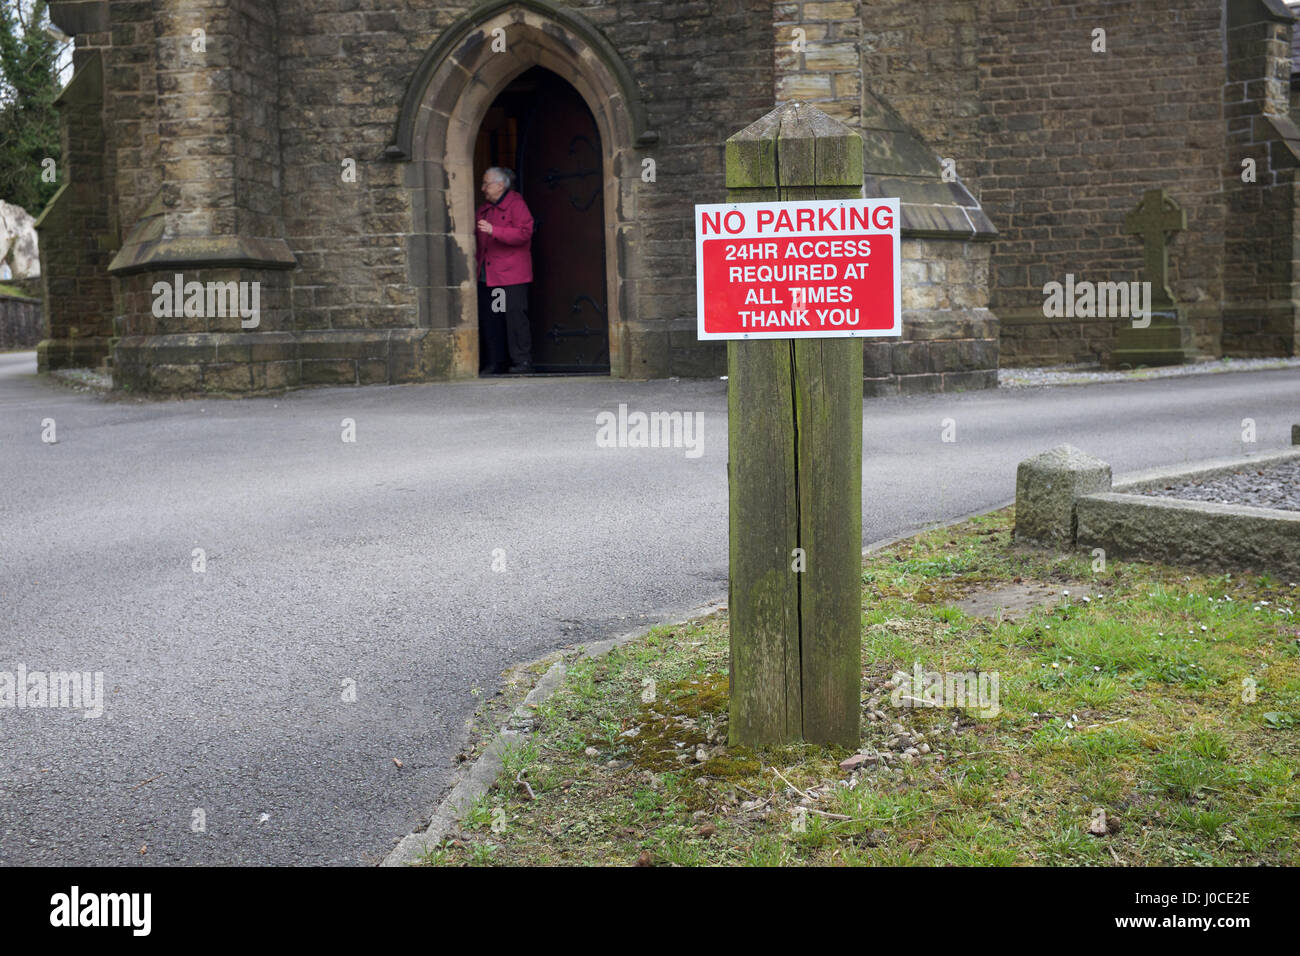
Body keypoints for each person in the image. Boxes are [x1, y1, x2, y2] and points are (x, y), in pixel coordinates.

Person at [475, 167, 535, 374]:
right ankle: (496, 361)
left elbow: (525, 232)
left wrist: (495, 231)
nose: (483, 188)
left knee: (515, 318)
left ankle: (522, 361)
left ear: (500, 185)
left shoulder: (516, 205)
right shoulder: (485, 209)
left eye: (486, 183)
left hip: (511, 275)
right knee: (494, 318)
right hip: (490, 276)